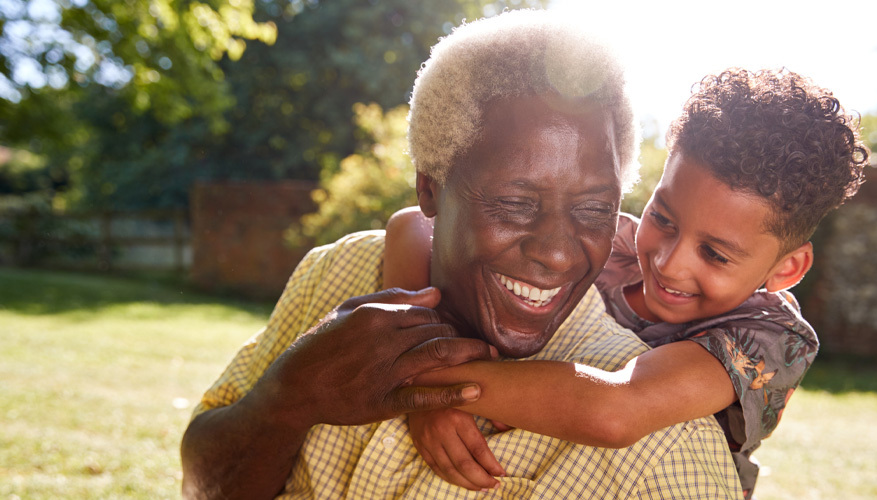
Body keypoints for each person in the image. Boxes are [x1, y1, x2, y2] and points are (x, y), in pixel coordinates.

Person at [180, 10, 742, 500]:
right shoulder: (337, 274)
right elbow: (203, 486)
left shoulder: (661, 455)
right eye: (516, 203)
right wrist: (288, 396)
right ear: (430, 190)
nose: (556, 252)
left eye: (594, 211)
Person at [383, 68, 869, 498]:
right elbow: (412, 225)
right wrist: (425, 378)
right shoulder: (608, 241)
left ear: (786, 269)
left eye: (715, 254)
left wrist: (427, 382)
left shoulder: (770, 338)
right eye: (663, 217)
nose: (669, 262)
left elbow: (615, 410)